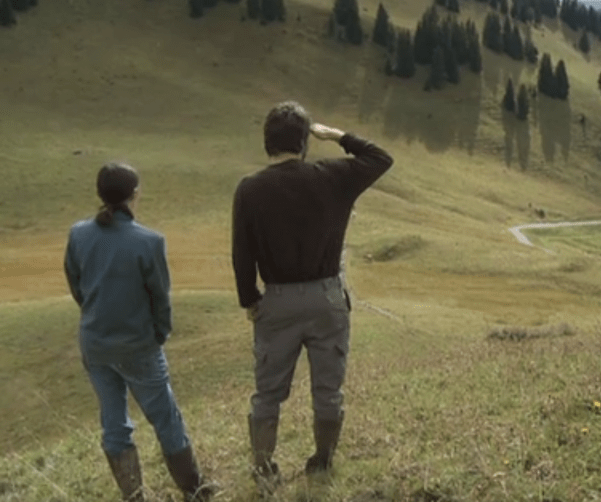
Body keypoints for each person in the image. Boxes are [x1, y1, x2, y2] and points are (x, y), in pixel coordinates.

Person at [232, 101, 393, 486]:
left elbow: (242, 252)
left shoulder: (250, 189)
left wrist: (249, 300)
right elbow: (380, 158)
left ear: (266, 142)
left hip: (277, 300)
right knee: (328, 388)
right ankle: (322, 461)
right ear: (305, 141)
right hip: (327, 298)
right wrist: (338, 136)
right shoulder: (333, 176)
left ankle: (264, 468)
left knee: (267, 393)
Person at [64, 163, 213, 502]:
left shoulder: (78, 233)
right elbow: (160, 298)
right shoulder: (149, 241)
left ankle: (134, 497)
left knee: (114, 424)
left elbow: (76, 284)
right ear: (134, 194)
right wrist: (159, 334)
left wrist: (95, 316)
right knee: (165, 418)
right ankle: (195, 490)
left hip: (95, 343)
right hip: (138, 346)